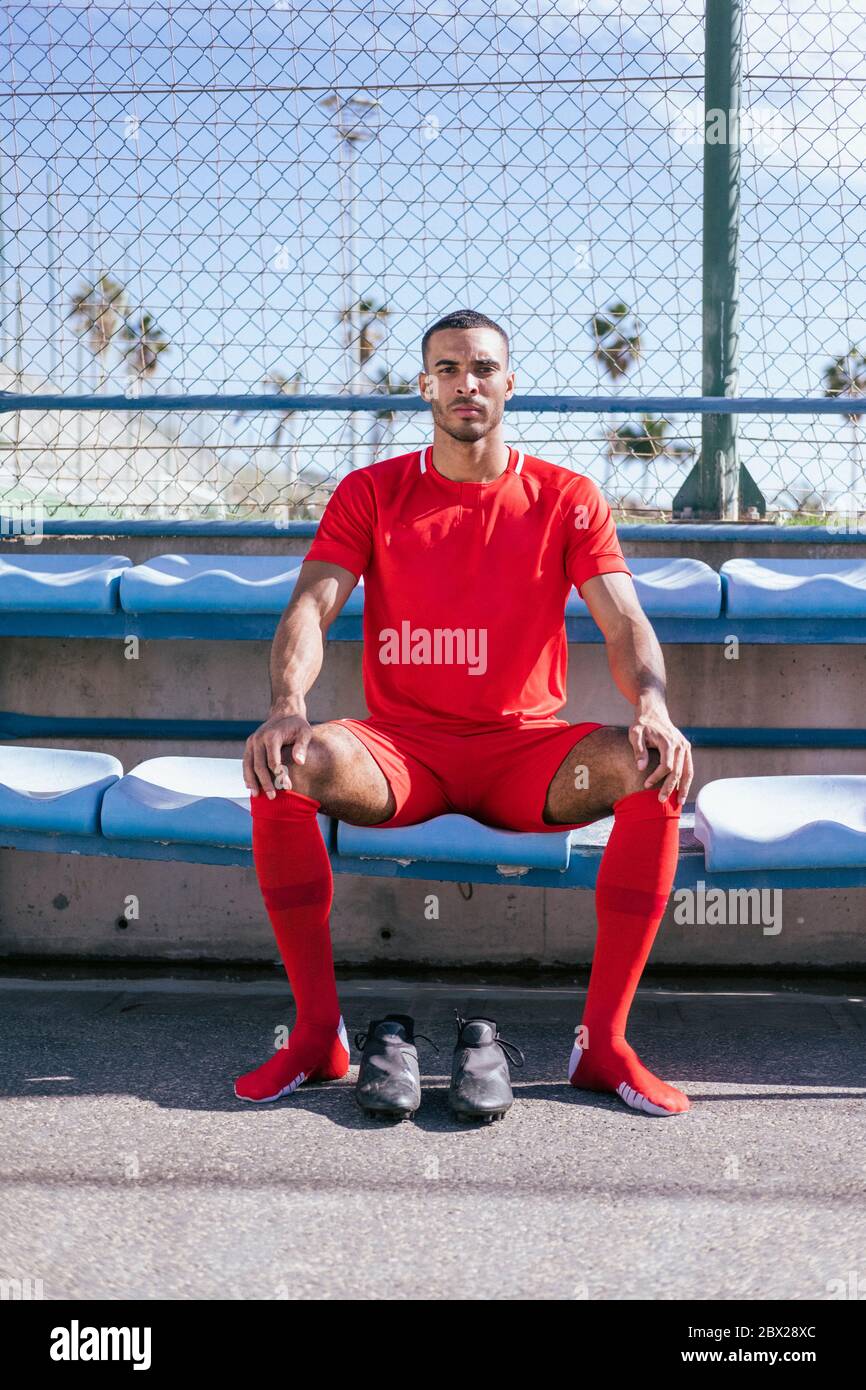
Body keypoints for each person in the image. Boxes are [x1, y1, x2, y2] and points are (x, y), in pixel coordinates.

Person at [237, 308, 693, 1116]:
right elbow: (312, 606)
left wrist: (652, 704)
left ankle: (604, 1043)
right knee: (285, 765)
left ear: (508, 384)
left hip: (525, 756)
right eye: (447, 369)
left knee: (653, 765)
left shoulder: (566, 496)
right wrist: (286, 705)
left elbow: (624, 619)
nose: (465, 384)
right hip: (401, 754)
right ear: (424, 386)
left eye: (482, 367)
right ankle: (316, 1035)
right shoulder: (372, 492)